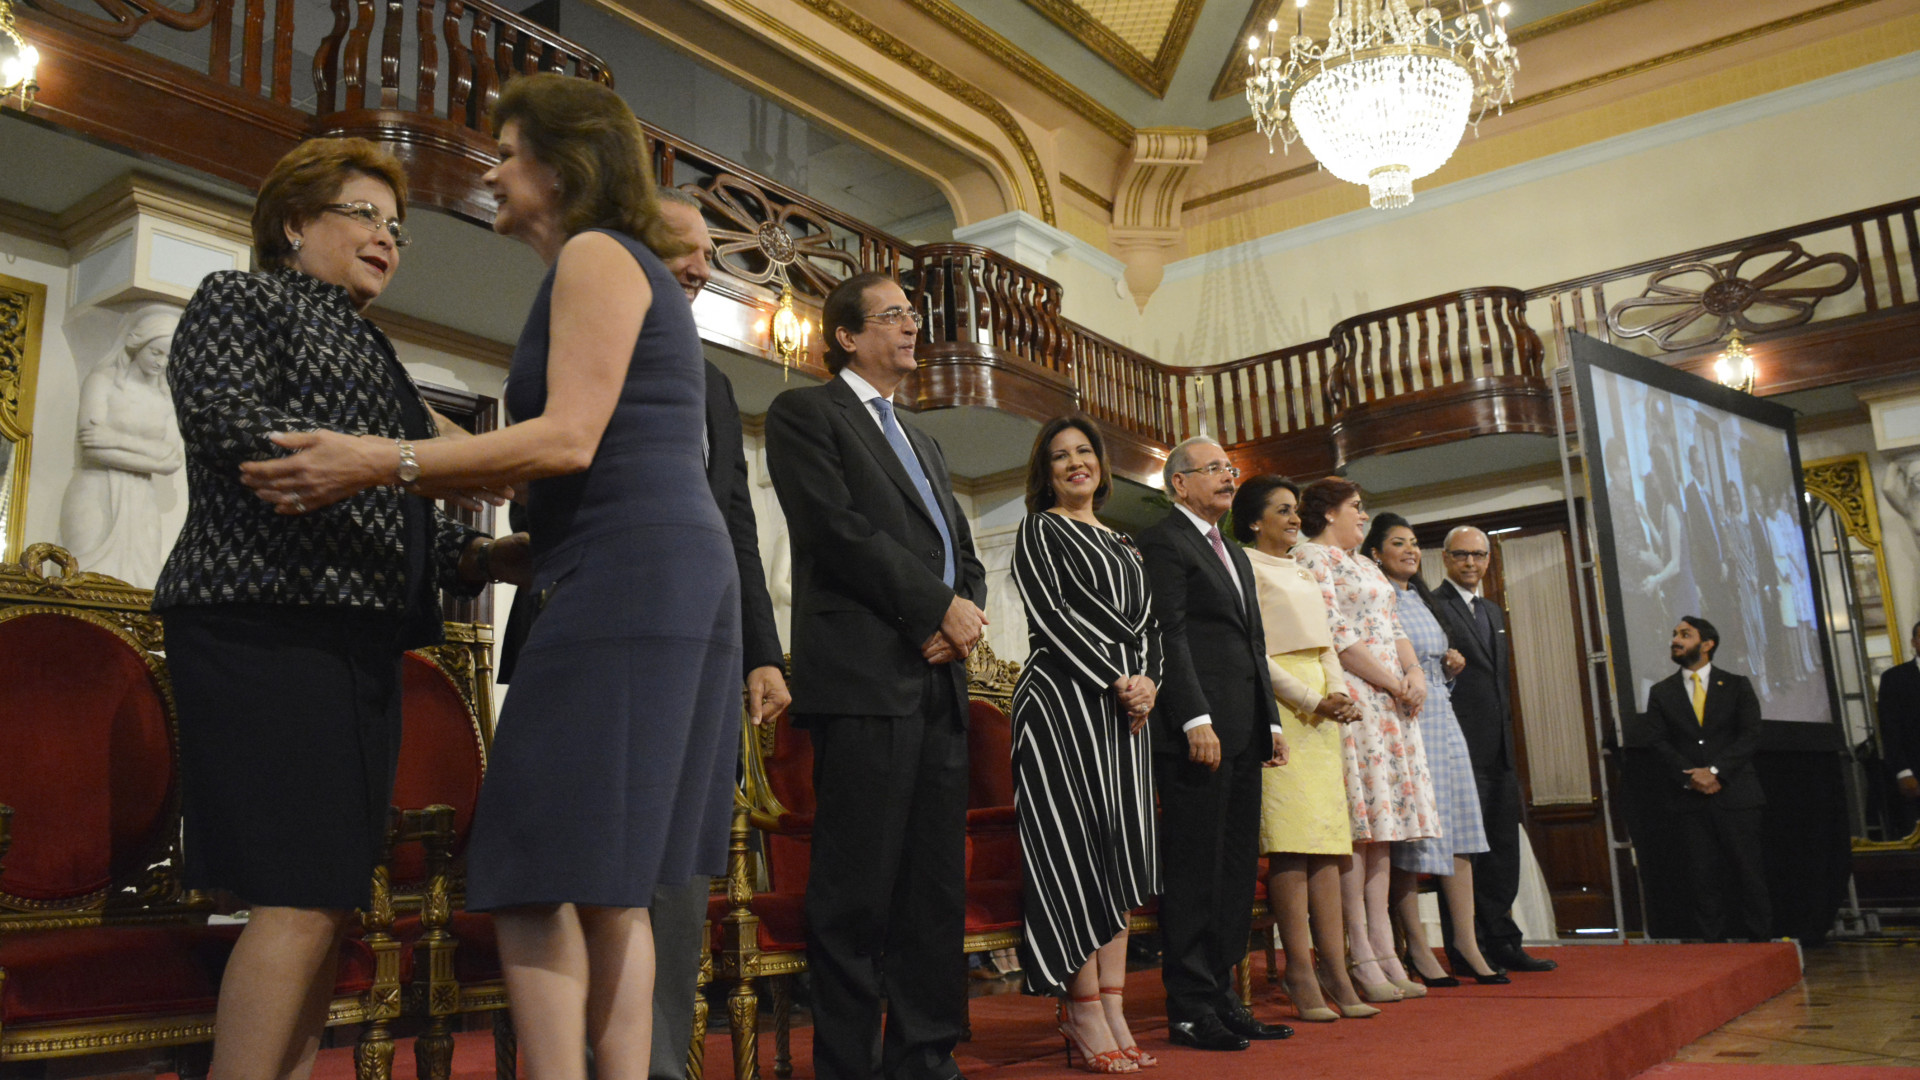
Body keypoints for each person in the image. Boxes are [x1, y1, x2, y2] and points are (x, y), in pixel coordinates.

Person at [242, 74, 745, 1079]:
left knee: (528, 864)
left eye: (510, 152)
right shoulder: (617, 265)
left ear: (561, 167)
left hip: (625, 578)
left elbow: (566, 440)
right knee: (613, 884)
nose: (495, 171)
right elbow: (592, 454)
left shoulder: (597, 253)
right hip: (654, 571)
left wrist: (374, 460)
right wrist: (484, 522)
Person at [154, 137, 518, 1080]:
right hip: (265, 621)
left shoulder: (374, 350)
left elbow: (404, 518)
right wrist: (387, 459)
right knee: (298, 890)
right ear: (292, 222)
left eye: (396, 226)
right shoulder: (242, 299)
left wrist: (487, 555)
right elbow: (232, 427)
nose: (386, 237)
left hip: (355, 638)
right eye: (363, 215)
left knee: (330, 898)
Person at [486, 182, 793, 1080]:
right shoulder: (578, 319)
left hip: (682, 630)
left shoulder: (714, 382)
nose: (699, 267)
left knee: (651, 881)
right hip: (590, 607)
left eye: (709, 253)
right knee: (569, 871)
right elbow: (543, 488)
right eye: (680, 245)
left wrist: (761, 652)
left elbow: (734, 522)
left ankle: (659, 1064)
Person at [765, 271, 987, 1080]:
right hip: (864, 679)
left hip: (937, 683)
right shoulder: (805, 413)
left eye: (912, 315)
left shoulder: (923, 438)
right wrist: (935, 607)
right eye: (893, 315)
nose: (911, 326)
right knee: (855, 893)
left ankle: (924, 1055)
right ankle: (849, 1066)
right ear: (848, 337)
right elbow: (837, 531)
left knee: (933, 890)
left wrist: (963, 612)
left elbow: (960, 549)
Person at [1010, 414, 1161, 1072]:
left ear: (1101, 464)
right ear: (1045, 474)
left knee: (1118, 852)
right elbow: (1051, 616)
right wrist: (1117, 678)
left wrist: (1148, 682)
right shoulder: (1040, 530)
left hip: (1124, 715)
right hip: (1061, 706)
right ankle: (1081, 1008)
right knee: (1075, 853)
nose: (1076, 463)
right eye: (1060, 456)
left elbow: (1151, 626)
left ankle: (1114, 1004)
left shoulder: (1125, 541)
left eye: (1084, 452)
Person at [1137, 437, 1293, 1052]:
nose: (1229, 478)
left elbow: (1253, 643)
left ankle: (1225, 996)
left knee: (1233, 870)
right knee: (1196, 870)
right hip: (1198, 734)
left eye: (1230, 469)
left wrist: (1270, 720)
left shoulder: (1231, 551)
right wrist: (1193, 717)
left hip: (1244, 729)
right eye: (1213, 470)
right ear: (1178, 483)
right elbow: (1168, 635)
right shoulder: (1164, 541)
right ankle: (1189, 1004)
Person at [1230, 474, 1379, 1022]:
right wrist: (1311, 699)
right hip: (1282, 708)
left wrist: (1337, 692)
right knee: (1293, 843)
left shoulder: (1301, 567)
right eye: (1282, 510)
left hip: (1321, 709)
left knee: (1329, 844)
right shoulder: (1244, 565)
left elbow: (1327, 644)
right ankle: (1299, 968)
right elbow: (1256, 650)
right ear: (1253, 521)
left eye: (1296, 510)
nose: (1295, 518)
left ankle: (1335, 967)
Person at [1290, 479, 1437, 1003]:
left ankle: (1384, 946)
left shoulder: (1367, 565)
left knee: (1384, 829)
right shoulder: (1311, 557)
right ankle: (1359, 952)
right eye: (1356, 506)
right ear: (1329, 512)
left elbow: (1394, 626)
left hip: (1392, 702)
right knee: (1359, 828)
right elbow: (1336, 634)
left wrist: (1414, 673)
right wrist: (1393, 682)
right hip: (1356, 697)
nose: (1363, 515)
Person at [1360, 514, 1506, 987]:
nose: (1409, 551)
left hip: (1443, 715)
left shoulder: (1421, 597)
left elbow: (1428, 663)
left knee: (1460, 828)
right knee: (1414, 834)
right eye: (1397, 543)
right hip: (1405, 721)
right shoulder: (1376, 594)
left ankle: (1466, 943)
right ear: (1375, 553)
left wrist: (1449, 666)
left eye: (1413, 543)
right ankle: (1419, 950)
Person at [1429, 526, 1558, 974]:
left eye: (1479, 555)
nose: (1471, 563)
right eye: (1462, 555)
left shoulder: (1491, 609)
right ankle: (1469, 948)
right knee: (1465, 854)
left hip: (1500, 749)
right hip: (1458, 747)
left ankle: (1504, 941)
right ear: (1445, 558)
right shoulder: (1432, 605)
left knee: (1503, 850)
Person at [1644, 616, 1770, 941]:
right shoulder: (1661, 692)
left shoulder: (1737, 685)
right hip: (1689, 798)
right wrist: (1692, 776)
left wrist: (1715, 772)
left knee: (1749, 871)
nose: (1675, 640)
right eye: (1674, 634)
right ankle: (1712, 947)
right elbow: (1658, 742)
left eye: (1685, 634)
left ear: (1707, 644)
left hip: (1737, 794)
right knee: (1702, 876)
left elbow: (1750, 734)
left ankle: (1761, 944)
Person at [59, 307, 184, 587]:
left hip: (141, 499)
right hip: (95, 489)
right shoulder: (102, 381)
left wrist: (115, 439)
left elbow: (172, 461)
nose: (161, 363)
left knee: (141, 583)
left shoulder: (167, 397)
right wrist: (152, 453)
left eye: (169, 356)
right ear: (137, 344)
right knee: (84, 578)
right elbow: (92, 448)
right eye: (155, 352)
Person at [1875, 621, 1920, 837]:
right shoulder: (1895, 678)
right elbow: (1890, 729)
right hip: (1915, 773)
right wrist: (1903, 772)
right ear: (1914, 642)